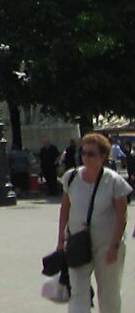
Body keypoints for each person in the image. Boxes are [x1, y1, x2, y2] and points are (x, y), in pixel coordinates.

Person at [57, 132, 130, 313]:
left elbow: (122, 215)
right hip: (77, 242)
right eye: (83, 153)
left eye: (91, 154)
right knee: (78, 291)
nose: (86, 157)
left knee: (109, 293)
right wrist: (60, 241)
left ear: (103, 156)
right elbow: (65, 209)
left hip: (107, 245)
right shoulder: (71, 177)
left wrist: (114, 246)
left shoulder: (114, 181)